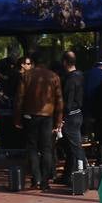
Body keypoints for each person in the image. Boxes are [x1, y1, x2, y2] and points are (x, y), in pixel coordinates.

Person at [14, 51, 64, 190]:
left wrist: (17, 118)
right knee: (47, 148)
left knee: (32, 147)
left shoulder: (26, 76)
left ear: (33, 62)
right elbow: (59, 100)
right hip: (47, 115)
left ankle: (36, 178)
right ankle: (45, 181)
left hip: (30, 115)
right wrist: (58, 121)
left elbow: (19, 98)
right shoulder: (54, 76)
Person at [60, 51, 85, 180]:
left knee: (75, 147)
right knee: (72, 146)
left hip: (71, 115)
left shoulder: (70, 79)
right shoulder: (81, 75)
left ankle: (81, 172)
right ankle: (69, 174)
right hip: (78, 113)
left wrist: (62, 117)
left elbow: (68, 100)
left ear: (65, 62)